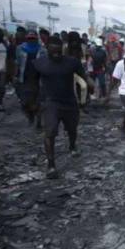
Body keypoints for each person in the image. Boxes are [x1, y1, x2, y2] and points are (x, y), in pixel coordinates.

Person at [33, 36, 93, 179]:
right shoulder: (39, 64)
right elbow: (33, 83)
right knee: (50, 133)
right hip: (51, 102)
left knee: (72, 129)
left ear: (62, 50)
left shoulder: (72, 62)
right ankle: (51, 165)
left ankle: (72, 146)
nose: (57, 55)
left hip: (69, 102)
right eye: (54, 52)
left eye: (59, 52)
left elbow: (83, 75)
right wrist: (34, 102)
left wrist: (89, 83)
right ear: (47, 49)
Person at [16, 30, 46, 126]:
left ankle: (38, 120)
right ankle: (30, 116)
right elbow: (17, 63)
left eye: (33, 38)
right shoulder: (20, 49)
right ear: (27, 38)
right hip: (24, 79)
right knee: (24, 102)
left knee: (38, 101)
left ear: (36, 39)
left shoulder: (43, 50)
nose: (31, 40)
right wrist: (14, 75)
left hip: (38, 79)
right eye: (30, 38)